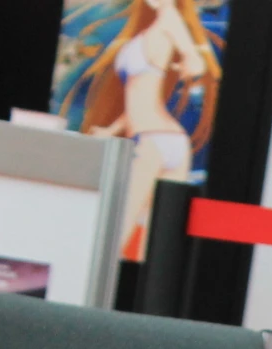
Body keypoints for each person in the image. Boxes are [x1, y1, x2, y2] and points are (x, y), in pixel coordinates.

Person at [78, 0, 222, 260]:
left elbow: (195, 60)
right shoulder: (149, 29)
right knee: (151, 253)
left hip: (153, 142)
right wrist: (112, 129)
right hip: (166, 139)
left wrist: (191, 64)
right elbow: (138, 96)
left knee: (115, 242)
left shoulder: (169, 18)